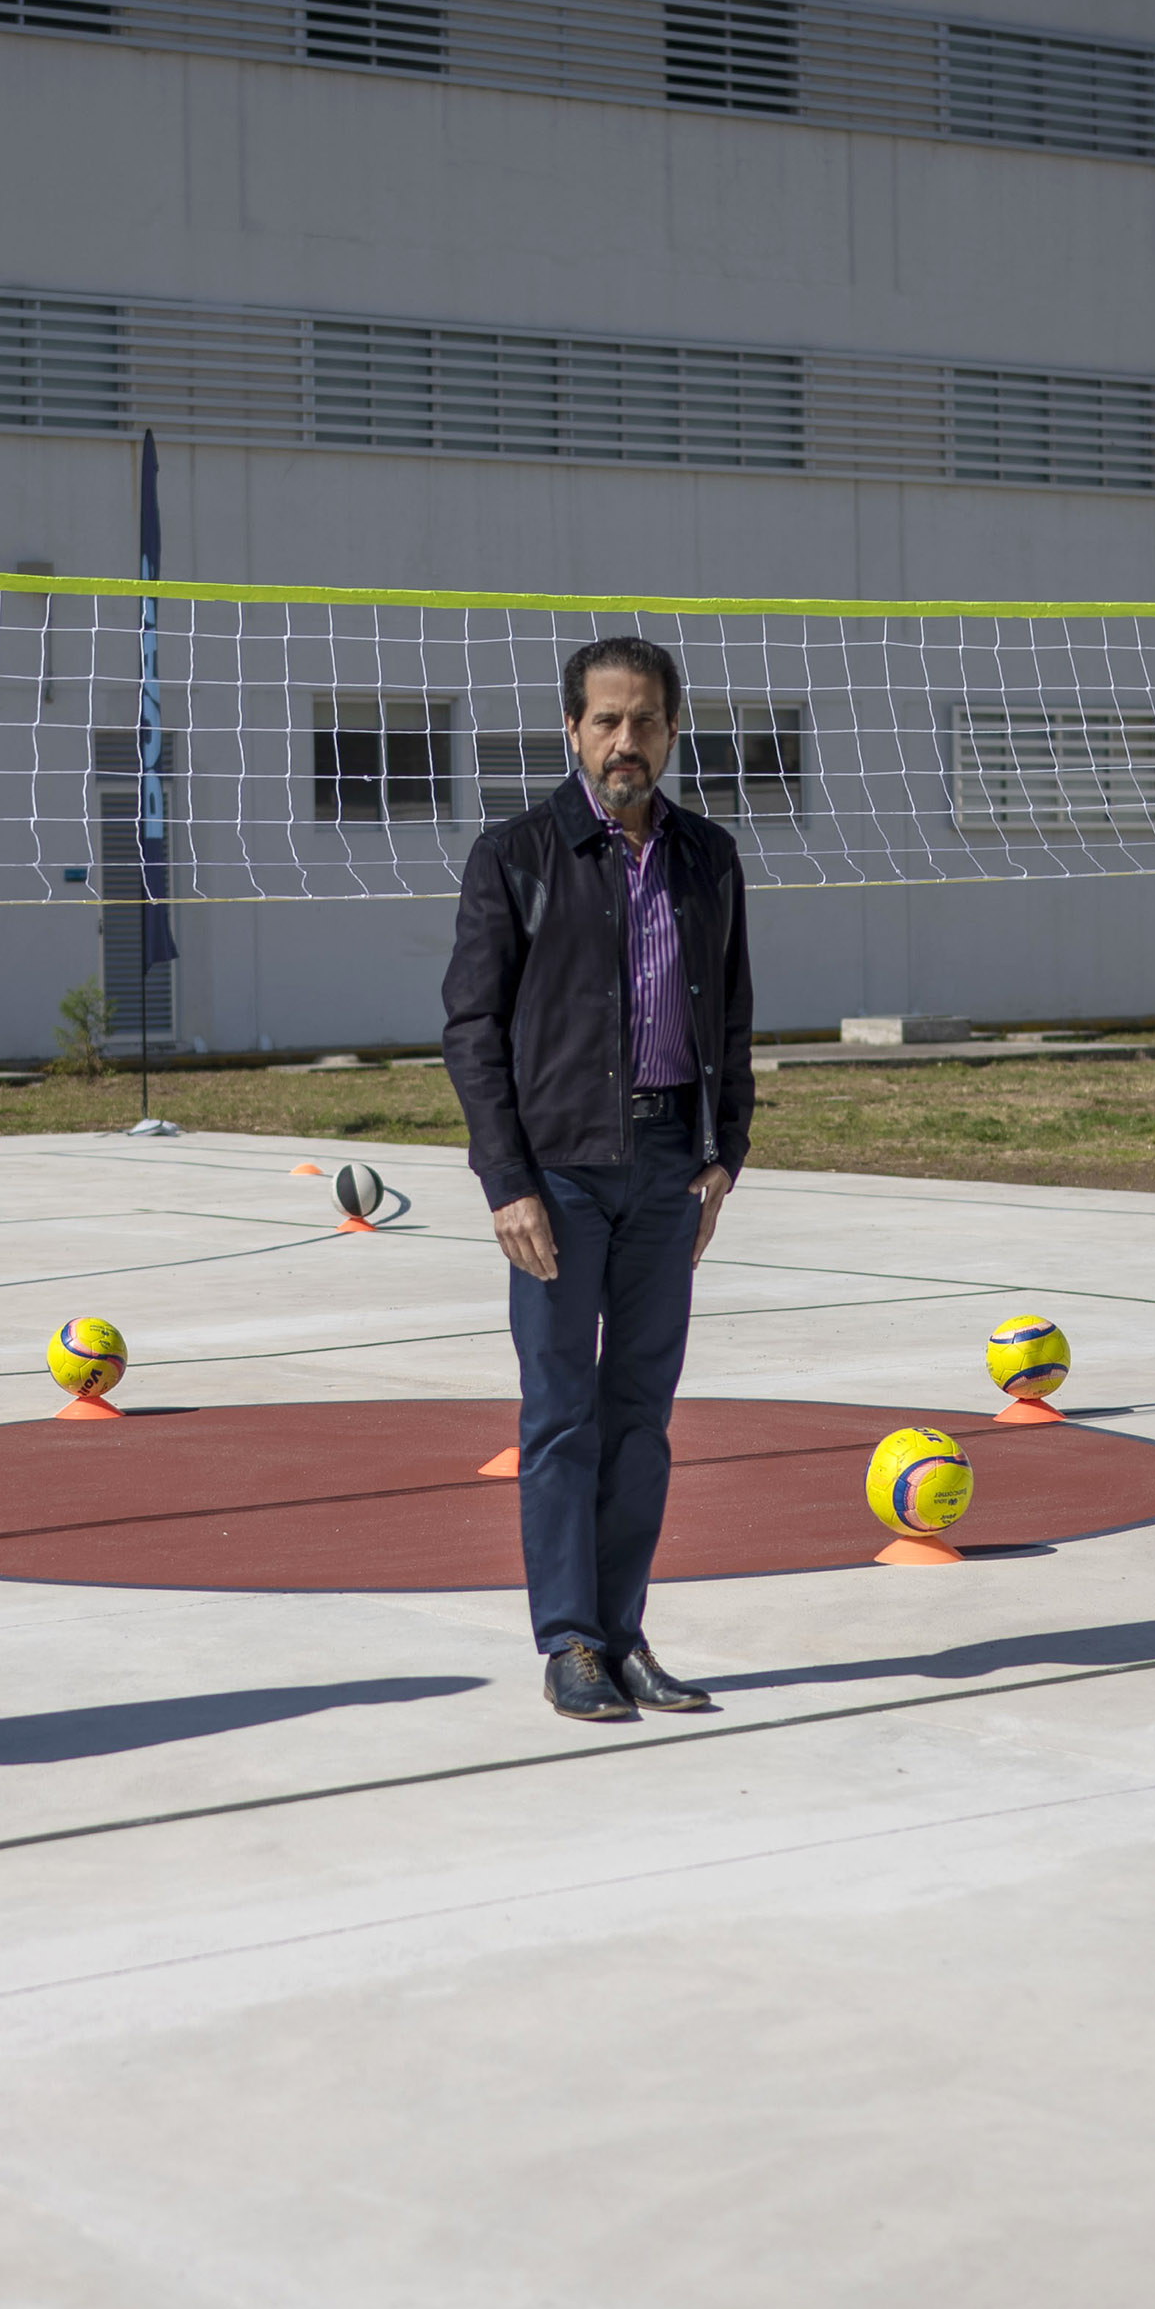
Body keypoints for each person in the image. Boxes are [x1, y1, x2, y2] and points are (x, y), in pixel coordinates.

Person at [443, 634, 755, 1723]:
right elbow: (472, 1031)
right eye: (607, 721)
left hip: (671, 1169)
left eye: (647, 721)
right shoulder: (517, 854)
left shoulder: (708, 858)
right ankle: (569, 1638)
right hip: (560, 1176)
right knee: (563, 1413)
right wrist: (505, 1180)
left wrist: (725, 1158)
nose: (628, 741)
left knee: (642, 1415)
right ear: (571, 730)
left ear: (673, 729)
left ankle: (626, 1636)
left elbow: (734, 1019)